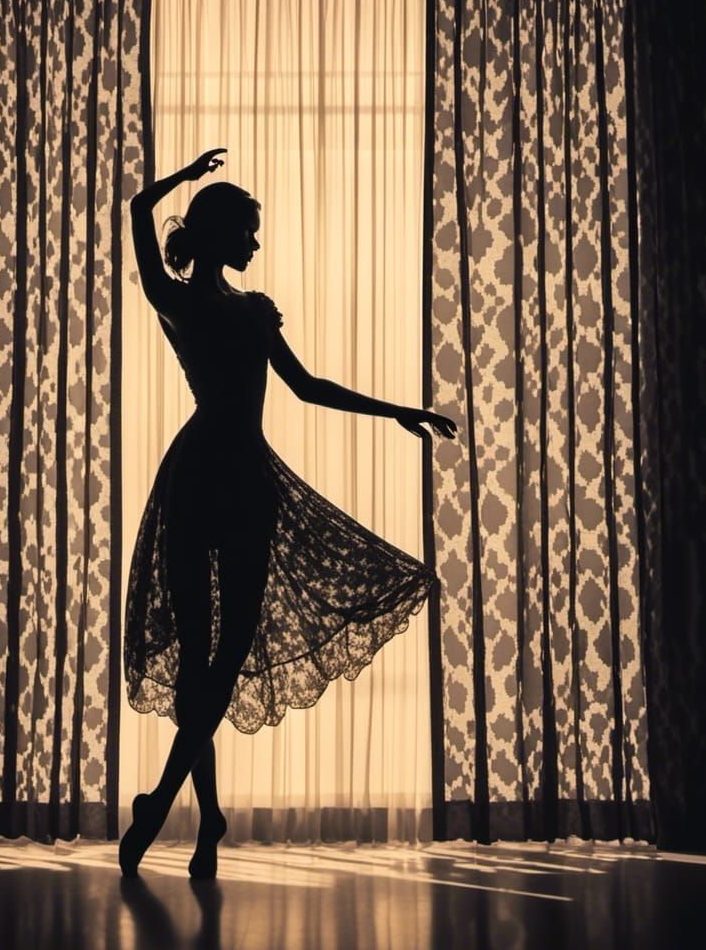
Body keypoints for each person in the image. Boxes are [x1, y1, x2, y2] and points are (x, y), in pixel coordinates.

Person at [120, 148, 457, 879]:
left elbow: (305, 386)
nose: (256, 243)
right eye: (247, 228)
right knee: (200, 659)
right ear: (215, 234)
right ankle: (199, 813)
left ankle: (167, 804)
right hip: (202, 474)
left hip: (244, 480)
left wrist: (396, 409)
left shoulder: (252, 309)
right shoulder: (176, 299)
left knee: (225, 654)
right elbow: (137, 212)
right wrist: (184, 179)